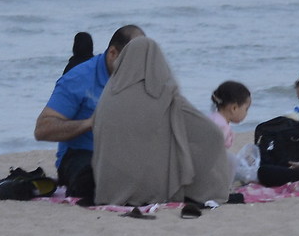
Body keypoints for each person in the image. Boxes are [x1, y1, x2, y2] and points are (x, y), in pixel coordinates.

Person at [92, 34, 230, 214]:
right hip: (152, 190)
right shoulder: (163, 94)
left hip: (108, 188)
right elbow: (211, 133)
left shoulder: (108, 95)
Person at [34, 23, 140, 204]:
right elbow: (42, 129)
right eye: (131, 60)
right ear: (113, 53)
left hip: (123, 153)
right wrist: (89, 123)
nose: (137, 67)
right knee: (95, 179)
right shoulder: (78, 79)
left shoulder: (141, 77)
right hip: (81, 156)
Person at [209, 80, 255, 195]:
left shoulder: (213, 117)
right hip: (207, 165)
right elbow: (214, 152)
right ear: (234, 108)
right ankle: (224, 189)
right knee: (232, 160)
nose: (246, 113)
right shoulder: (222, 126)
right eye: (246, 109)